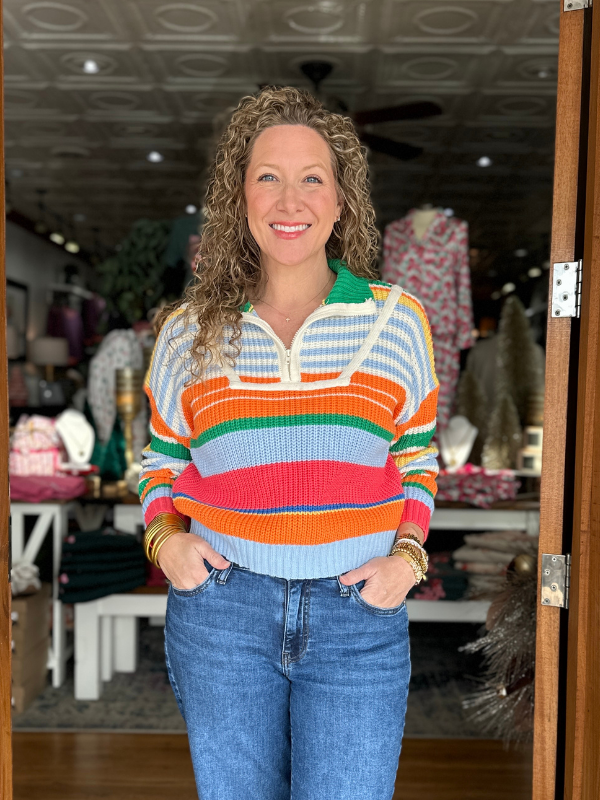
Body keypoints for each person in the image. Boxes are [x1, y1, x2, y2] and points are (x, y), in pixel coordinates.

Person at [139, 86, 438, 800]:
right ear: (239, 197)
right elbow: (161, 463)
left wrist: (407, 558)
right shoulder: (187, 331)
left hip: (357, 617)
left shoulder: (396, 322)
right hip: (223, 612)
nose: (289, 199)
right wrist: (165, 544)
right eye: (267, 176)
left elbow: (419, 460)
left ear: (341, 203)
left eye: (312, 179)